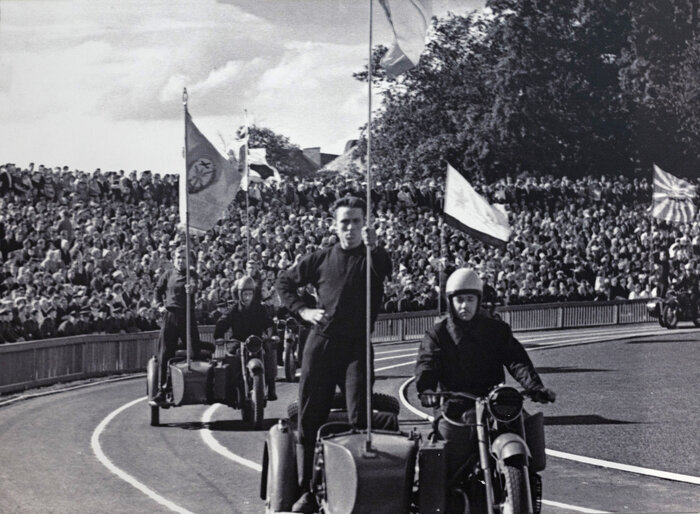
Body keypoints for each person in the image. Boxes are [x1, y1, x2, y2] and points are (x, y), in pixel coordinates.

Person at [276, 195, 394, 513]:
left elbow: (385, 268)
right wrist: (303, 310)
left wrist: (376, 245)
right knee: (309, 417)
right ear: (335, 226)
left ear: (364, 224)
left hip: (356, 347)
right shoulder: (320, 258)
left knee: (360, 416)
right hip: (322, 345)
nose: (351, 228)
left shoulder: (373, 256)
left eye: (357, 221)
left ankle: (357, 485)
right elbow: (284, 282)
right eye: (345, 222)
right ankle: (307, 492)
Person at [415, 268, 556, 481]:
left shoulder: (496, 330)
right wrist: (426, 389)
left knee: (526, 431)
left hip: (494, 402)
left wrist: (535, 387)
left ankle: (525, 482)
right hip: (454, 404)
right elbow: (427, 363)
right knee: (443, 462)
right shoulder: (438, 334)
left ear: (478, 300)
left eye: (470, 299)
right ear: (450, 301)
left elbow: (517, 360)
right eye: (459, 299)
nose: (465, 305)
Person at [152, 246, 206, 404]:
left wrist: (192, 289)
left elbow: (196, 284)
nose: (181, 260)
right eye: (178, 257)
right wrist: (159, 305)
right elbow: (157, 290)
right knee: (164, 353)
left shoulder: (192, 274)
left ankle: (197, 386)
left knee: (195, 351)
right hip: (170, 316)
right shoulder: (168, 274)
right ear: (174, 259)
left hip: (187, 315)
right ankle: (162, 390)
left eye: (184, 258)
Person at [213, 275, 278, 401]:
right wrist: (219, 336)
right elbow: (222, 322)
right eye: (244, 294)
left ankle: (271, 386)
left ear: (253, 294)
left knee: (269, 351)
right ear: (239, 294)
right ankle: (231, 388)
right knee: (231, 355)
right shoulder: (233, 309)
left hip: (256, 341)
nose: (247, 297)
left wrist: (272, 335)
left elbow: (268, 323)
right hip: (238, 340)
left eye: (249, 294)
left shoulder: (260, 308)